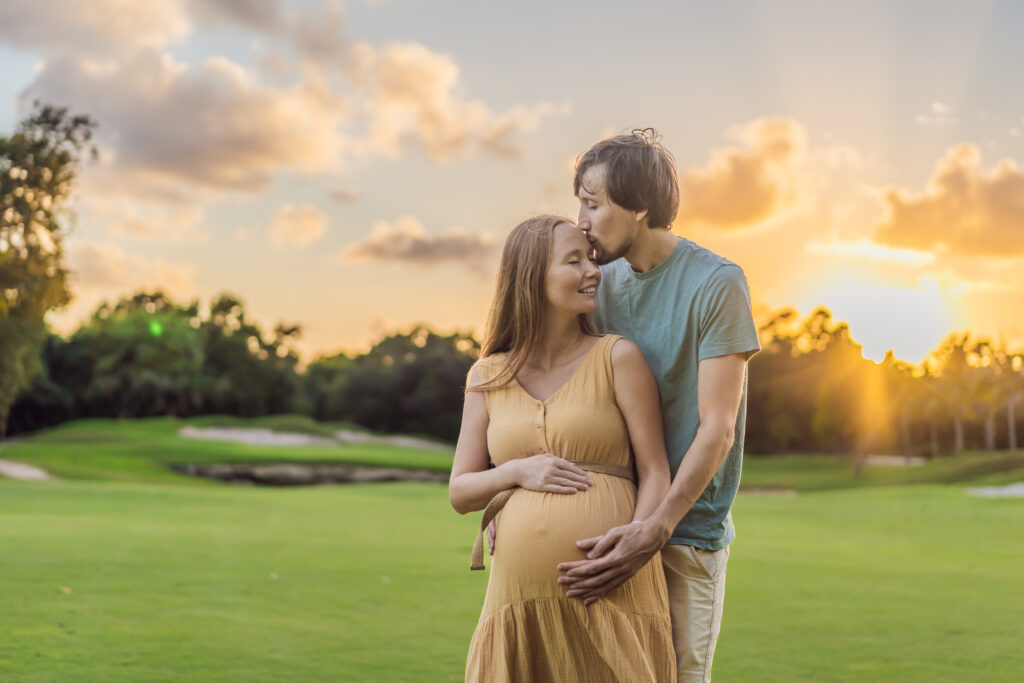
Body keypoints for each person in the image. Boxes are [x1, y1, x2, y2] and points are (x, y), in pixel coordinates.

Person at [555, 129, 761, 683]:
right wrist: (510, 487)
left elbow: (717, 428)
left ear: (640, 207)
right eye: (580, 203)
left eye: (593, 204)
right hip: (610, 523)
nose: (580, 219)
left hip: (687, 532)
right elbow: (560, 387)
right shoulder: (597, 284)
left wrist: (659, 525)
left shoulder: (717, 284)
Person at [449, 215, 677, 681]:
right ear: (531, 277)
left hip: (612, 592)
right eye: (574, 261)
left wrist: (633, 545)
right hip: (517, 603)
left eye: (590, 258)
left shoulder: (618, 357)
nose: (593, 271)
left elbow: (655, 470)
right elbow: (461, 491)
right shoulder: (487, 375)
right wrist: (516, 472)